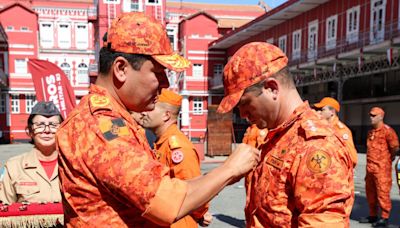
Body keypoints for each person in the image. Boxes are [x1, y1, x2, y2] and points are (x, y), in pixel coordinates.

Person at [56, 12, 260, 227]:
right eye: (158, 72)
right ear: (121, 69)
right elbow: (167, 202)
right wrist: (229, 169)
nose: (164, 84)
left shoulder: (110, 118)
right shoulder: (103, 125)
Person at [217, 42, 354, 227]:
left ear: (272, 88)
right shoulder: (279, 135)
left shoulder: (315, 146)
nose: (242, 115)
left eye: (245, 103)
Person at [140, 88, 212, 227]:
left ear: (166, 115)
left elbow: (194, 190)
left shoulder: (178, 148)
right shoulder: (161, 142)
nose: (144, 113)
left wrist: (201, 214)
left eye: (150, 109)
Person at [0, 101, 63, 204]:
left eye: (53, 125)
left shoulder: (73, 167)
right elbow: (4, 210)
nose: (47, 130)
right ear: (30, 131)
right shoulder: (14, 167)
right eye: (40, 125)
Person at [359, 107, 399, 227]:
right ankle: (372, 215)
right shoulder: (371, 132)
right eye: (370, 115)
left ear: (381, 117)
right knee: (370, 192)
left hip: (382, 169)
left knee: (382, 193)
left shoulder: (388, 131)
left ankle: (384, 218)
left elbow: (395, 147)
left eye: (373, 115)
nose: (371, 117)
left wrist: (389, 158)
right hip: (370, 168)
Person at [314, 97, 358, 167]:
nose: (319, 112)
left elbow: (352, 158)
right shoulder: (323, 128)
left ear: (332, 112)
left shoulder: (341, 130)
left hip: (336, 174)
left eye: (322, 109)